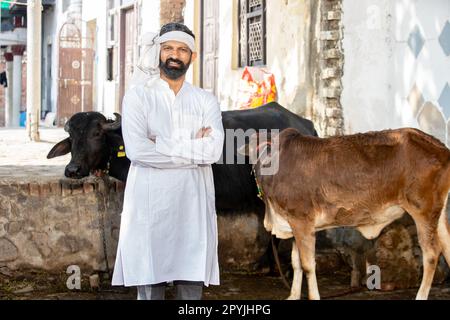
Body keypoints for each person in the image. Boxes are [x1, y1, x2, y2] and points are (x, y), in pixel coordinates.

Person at [111, 22, 224, 300]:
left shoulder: (205, 100)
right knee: (150, 284)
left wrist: (159, 143)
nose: (175, 54)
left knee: (191, 289)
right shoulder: (138, 97)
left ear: (192, 57)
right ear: (159, 52)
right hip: (150, 209)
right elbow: (137, 152)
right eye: (169, 48)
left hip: (192, 209)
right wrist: (192, 149)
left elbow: (213, 152)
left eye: (183, 49)